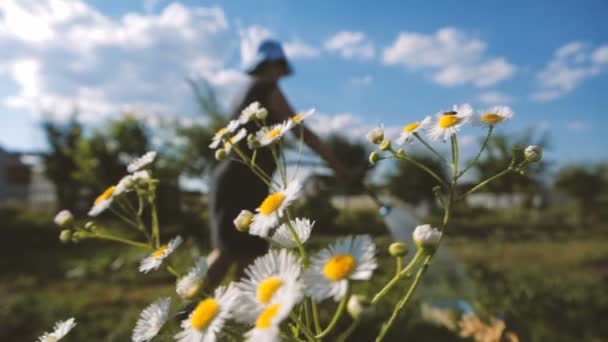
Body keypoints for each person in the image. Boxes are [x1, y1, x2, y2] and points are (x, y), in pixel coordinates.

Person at [205, 40, 349, 289]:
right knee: (232, 252)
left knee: (242, 251)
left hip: (235, 178)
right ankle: (189, 311)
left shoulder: (247, 91)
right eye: (279, 66)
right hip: (241, 181)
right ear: (273, 64)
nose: (281, 73)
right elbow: (301, 131)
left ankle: (243, 313)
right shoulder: (266, 88)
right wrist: (337, 165)